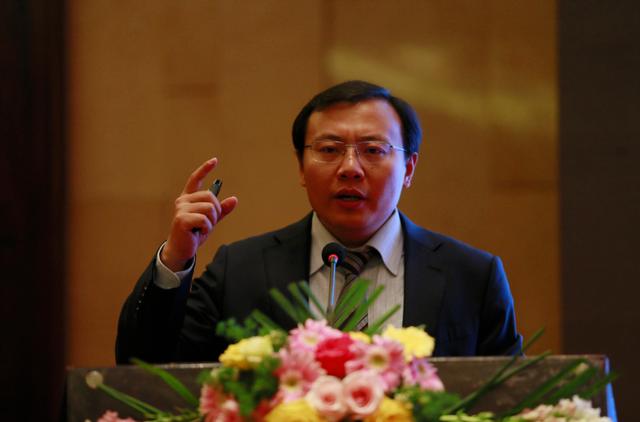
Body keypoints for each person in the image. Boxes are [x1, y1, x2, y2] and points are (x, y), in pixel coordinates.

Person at [116, 80, 522, 364]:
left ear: (409, 168)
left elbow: (509, 398)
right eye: (329, 149)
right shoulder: (239, 271)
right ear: (300, 166)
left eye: (373, 150)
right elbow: (144, 366)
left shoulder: (472, 277)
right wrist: (176, 257)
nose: (350, 168)